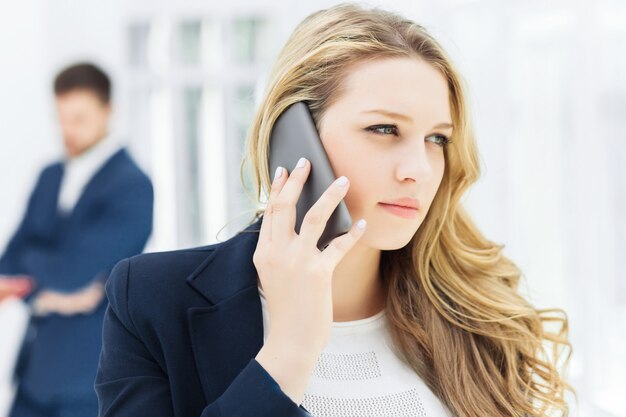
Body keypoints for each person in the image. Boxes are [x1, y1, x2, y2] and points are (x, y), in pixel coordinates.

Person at [95, 4, 573, 417]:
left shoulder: (480, 316)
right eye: (384, 129)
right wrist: (288, 353)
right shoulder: (152, 302)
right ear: (292, 138)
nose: (419, 170)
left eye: (436, 139)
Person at [1, 62, 154, 417]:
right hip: (33, 373)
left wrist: (36, 266)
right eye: (61, 118)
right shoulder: (49, 176)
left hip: (89, 375)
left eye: (79, 119)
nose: (67, 130)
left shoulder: (133, 186)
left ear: (108, 112)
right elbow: (9, 260)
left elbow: (74, 271)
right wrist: (53, 297)